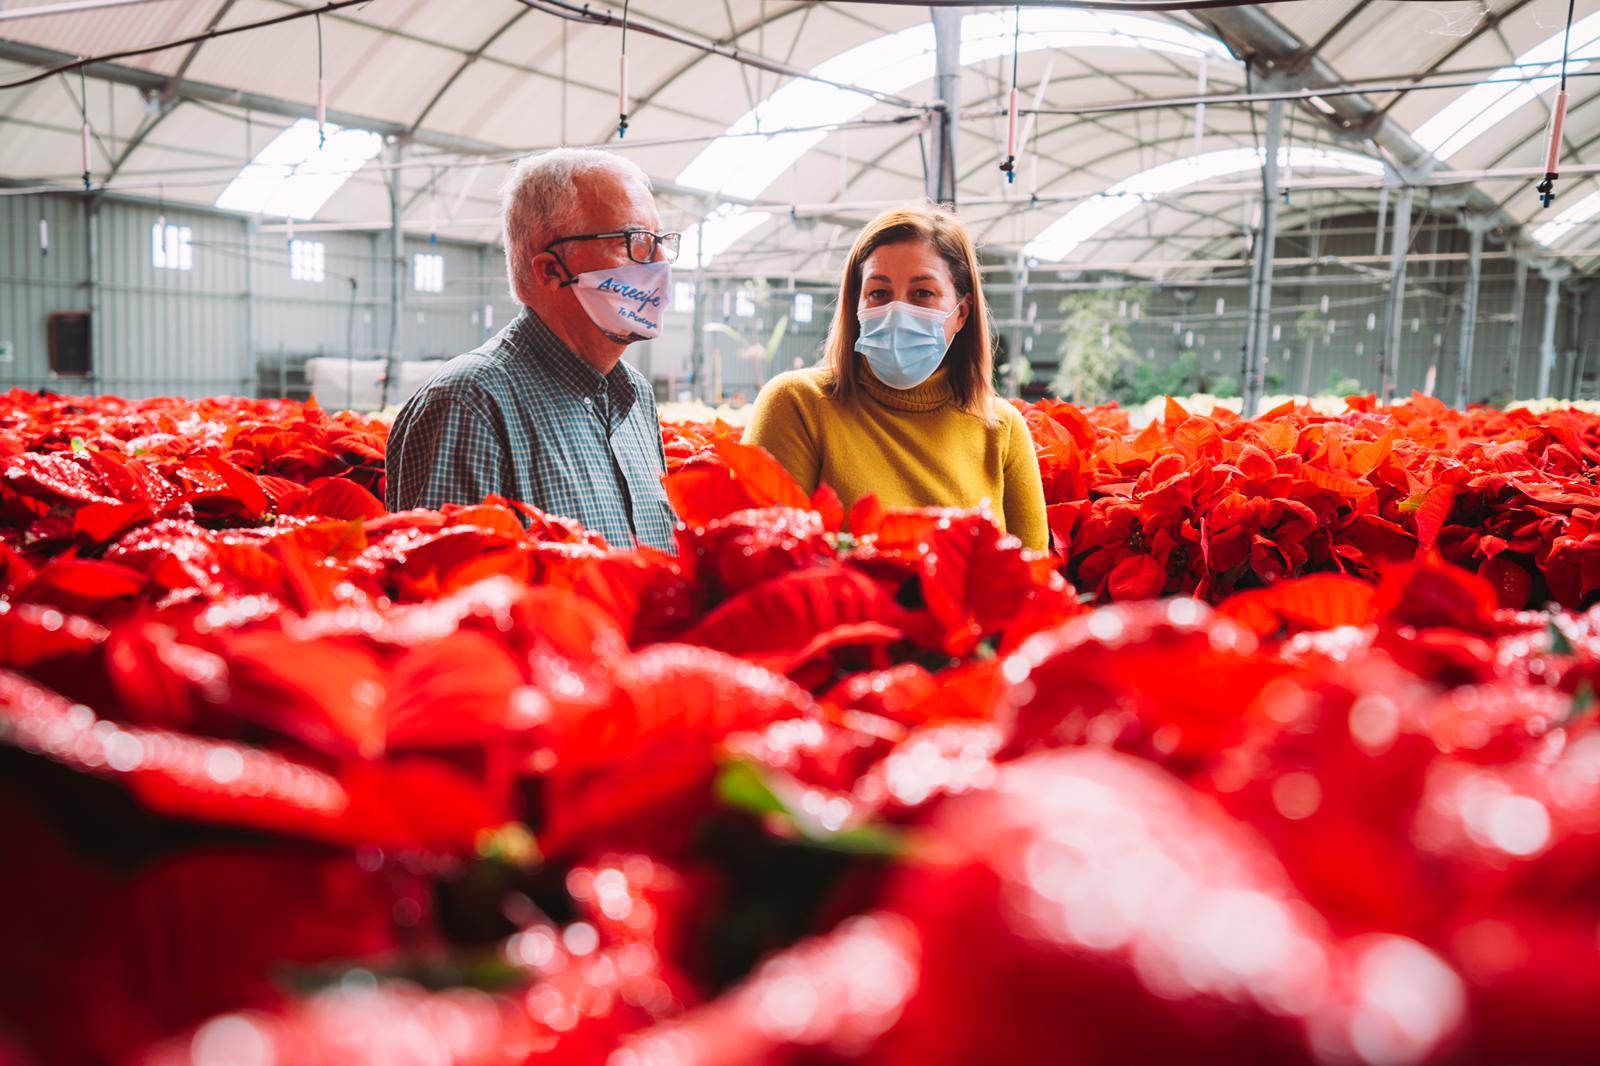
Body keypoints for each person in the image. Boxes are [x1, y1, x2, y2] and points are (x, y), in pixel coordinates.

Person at [385, 149, 677, 552]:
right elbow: (453, 596)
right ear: (551, 270)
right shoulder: (470, 404)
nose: (660, 262)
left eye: (660, 241)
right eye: (635, 242)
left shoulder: (636, 397)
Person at [743, 205, 1047, 550]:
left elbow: (1032, 585)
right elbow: (761, 562)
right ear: (856, 307)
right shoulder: (798, 405)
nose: (896, 311)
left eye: (923, 293)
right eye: (878, 293)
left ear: (961, 313)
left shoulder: (1002, 429)